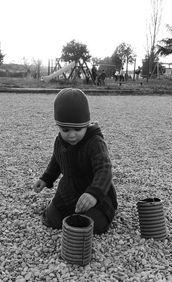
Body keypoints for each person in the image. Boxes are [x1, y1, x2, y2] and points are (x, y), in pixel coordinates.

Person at [33, 88, 118, 234]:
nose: (71, 135)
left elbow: (104, 169)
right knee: (52, 220)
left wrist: (93, 194)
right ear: (58, 127)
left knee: (92, 225)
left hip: (95, 192)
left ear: (86, 124)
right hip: (69, 191)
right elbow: (56, 160)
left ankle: (102, 211)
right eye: (65, 130)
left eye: (77, 129)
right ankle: (65, 209)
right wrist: (46, 178)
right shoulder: (60, 141)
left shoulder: (95, 142)